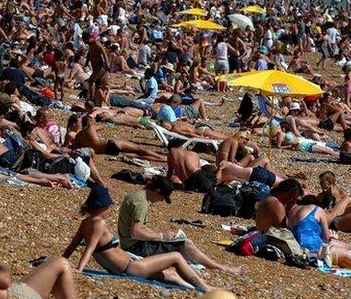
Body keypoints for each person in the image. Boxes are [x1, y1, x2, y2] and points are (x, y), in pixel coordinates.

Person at [62, 185, 217, 292]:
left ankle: (196, 289)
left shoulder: (85, 223)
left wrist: (60, 261)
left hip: (129, 266)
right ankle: (204, 288)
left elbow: (72, 246)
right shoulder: (99, 223)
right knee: (176, 256)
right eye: (109, 208)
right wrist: (79, 270)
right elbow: (90, 249)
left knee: (171, 275)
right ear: (102, 207)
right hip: (131, 268)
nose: (110, 211)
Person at [117, 175, 243, 275]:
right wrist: (161, 236)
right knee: (185, 243)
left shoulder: (136, 196)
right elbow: (136, 233)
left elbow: (138, 228)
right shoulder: (141, 204)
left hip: (130, 244)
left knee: (178, 241)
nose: (161, 200)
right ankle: (221, 268)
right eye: (163, 197)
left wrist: (164, 236)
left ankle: (209, 264)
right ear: (157, 191)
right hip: (136, 247)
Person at [73, 115, 164, 162]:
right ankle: (161, 157)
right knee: (140, 149)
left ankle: (160, 159)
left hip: (104, 151)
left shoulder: (78, 136)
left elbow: (76, 148)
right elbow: (103, 126)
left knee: (137, 155)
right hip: (110, 144)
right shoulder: (91, 128)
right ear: (89, 122)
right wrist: (95, 124)